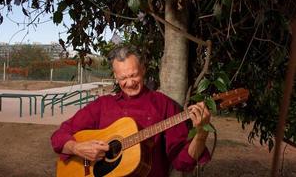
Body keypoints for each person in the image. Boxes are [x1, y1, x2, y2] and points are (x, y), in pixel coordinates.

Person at [51, 45, 211, 176]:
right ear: (115, 76)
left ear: (143, 69)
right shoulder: (102, 105)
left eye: (133, 75)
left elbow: (182, 162)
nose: (129, 83)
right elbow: (58, 137)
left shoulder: (164, 105)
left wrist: (201, 134)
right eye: (122, 78)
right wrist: (77, 148)